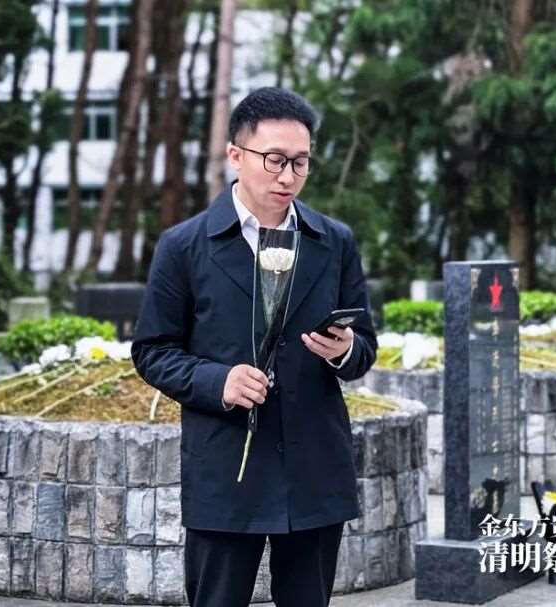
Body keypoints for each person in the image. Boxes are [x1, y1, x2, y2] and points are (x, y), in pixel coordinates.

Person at [131, 87, 377, 607]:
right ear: (235, 155)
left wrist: (343, 349)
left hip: (314, 467)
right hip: (226, 469)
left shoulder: (334, 241)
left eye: (300, 162)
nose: (287, 176)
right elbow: (152, 350)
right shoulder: (184, 246)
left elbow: (365, 349)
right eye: (275, 160)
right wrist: (218, 380)